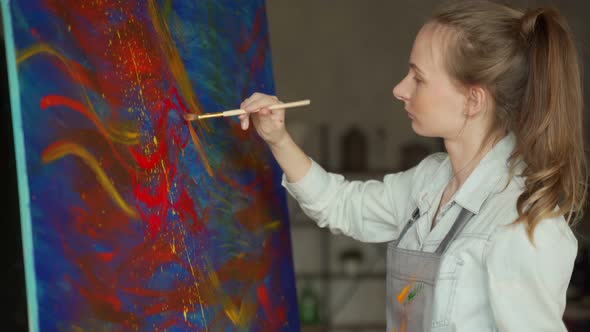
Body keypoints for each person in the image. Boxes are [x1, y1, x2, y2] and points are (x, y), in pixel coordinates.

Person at [238, 0, 587, 331]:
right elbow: (340, 205)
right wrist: (278, 138)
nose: (400, 89)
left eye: (418, 78)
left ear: (472, 100)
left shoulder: (524, 223)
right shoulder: (429, 180)